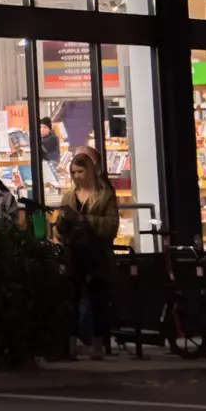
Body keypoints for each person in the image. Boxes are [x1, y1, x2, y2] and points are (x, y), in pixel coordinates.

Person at [56, 147, 120, 358]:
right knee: (72, 299)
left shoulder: (104, 196)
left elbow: (111, 226)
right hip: (74, 252)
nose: (76, 177)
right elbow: (59, 228)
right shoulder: (69, 197)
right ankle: (72, 344)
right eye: (73, 173)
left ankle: (97, 345)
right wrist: (62, 225)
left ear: (90, 172)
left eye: (80, 172)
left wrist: (87, 220)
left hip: (97, 252)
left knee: (97, 299)